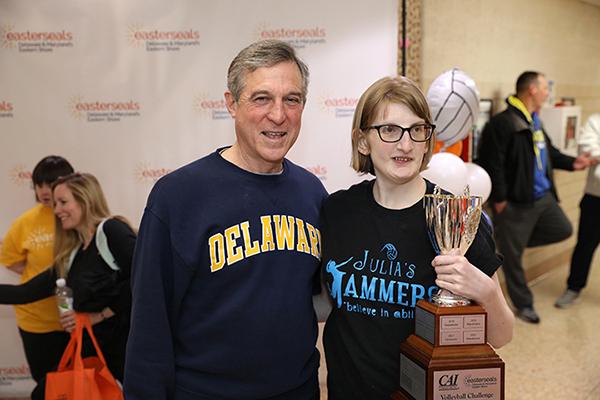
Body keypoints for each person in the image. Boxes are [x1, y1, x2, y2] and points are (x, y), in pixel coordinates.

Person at [124, 40, 327, 400]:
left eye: (291, 100)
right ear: (231, 104)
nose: (278, 115)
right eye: (261, 98)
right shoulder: (178, 196)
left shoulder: (312, 193)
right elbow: (149, 327)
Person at [320, 76, 514, 399]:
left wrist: (486, 292)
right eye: (390, 130)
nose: (405, 145)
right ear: (362, 141)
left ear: (428, 139)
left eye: (417, 130)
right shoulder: (337, 212)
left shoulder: (454, 216)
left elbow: (503, 334)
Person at [0, 172, 135, 399]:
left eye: (63, 202)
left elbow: (144, 279)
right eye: (55, 204)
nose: (57, 210)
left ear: (85, 199)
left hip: (123, 354)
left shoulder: (111, 231)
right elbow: (23, 293)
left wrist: (99, 315)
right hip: (92, 354)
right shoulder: (71, 255)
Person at [476, 71, 594, 323]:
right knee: (512, 257)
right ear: (532, 90)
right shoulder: (503, 123)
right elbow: (492, 163)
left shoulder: (534, 120)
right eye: (544, 88)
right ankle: (524, 304)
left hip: (543, 198)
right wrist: (500, 198)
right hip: (516, 202)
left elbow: (548, 152)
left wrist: (575, 162)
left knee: (562, 229)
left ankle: (511, 242)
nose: (547, 93)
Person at [0, 155, 73, 399]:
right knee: (45, 386)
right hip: (35, 321)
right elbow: (10, 258)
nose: (43, 191)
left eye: (49, 184)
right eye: (38, 184)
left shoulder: (74, 217)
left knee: (76, 383)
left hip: (74, 319)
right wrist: (41, 280)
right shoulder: (26, 222)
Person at [555, 113, 600, 307]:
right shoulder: (595, 122)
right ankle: (574, 287)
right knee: (585, 245)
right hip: (595, 198)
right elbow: (590, 151)